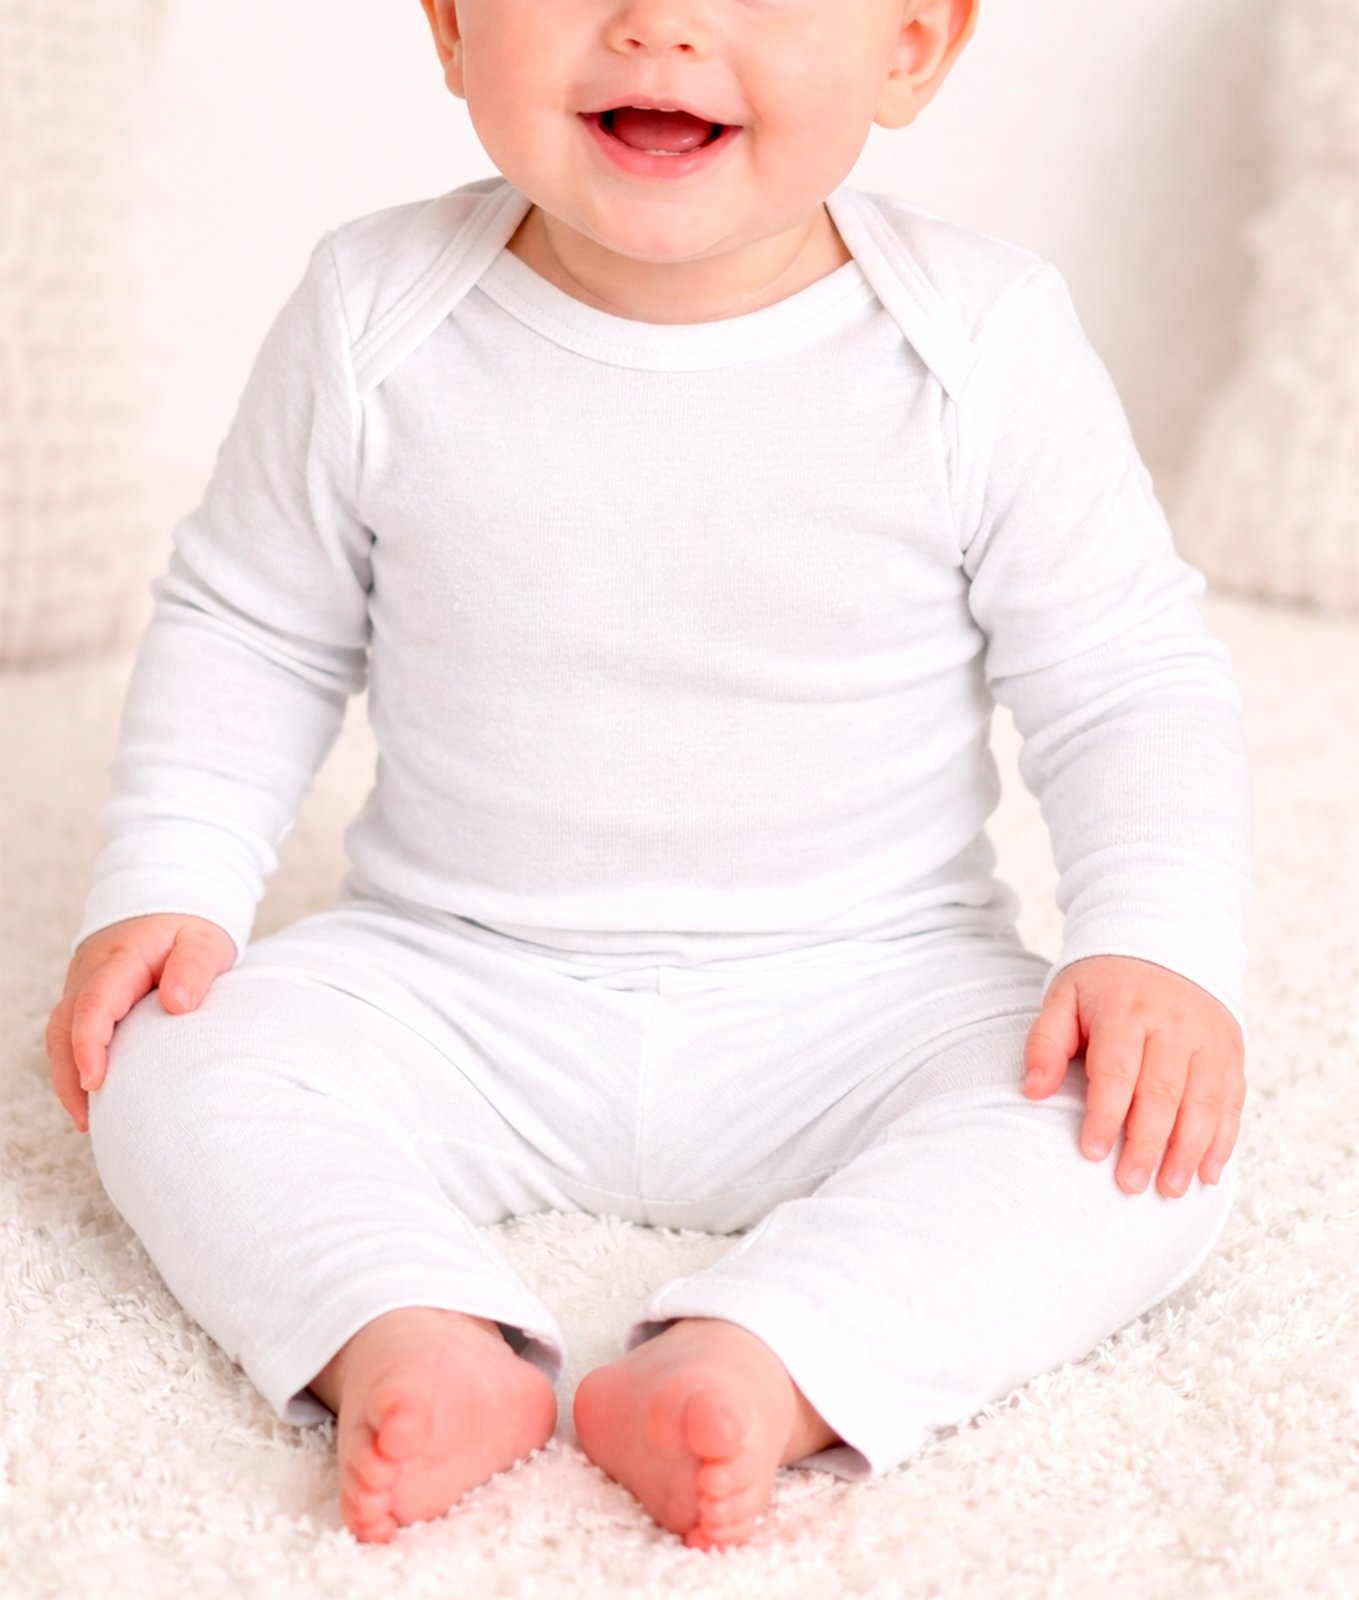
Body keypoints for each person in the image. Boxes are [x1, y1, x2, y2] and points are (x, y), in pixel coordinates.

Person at [44, 0, 1252, 1554]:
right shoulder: (375, 309)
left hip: (868, 990)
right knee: (155, 1059)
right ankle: (404, 1319)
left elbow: (1123, 678)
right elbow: (252, 629)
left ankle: (777, 1351)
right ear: (451, 24)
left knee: (1146, 1145)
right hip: (454, 980)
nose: (661, 28)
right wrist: (175, 881)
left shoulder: (981, 338)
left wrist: (1152, 942)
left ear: (912, 47)